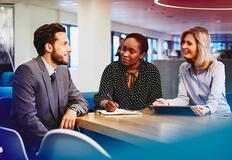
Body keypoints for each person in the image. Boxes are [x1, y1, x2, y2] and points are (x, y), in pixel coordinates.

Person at [10, 23, 88, 159]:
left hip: (61, 142)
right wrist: (55, 145)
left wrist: (73, 110)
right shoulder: (27, 71)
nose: (70, 49)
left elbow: (81, 101)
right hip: (34, 145)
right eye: (65, 44)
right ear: (49, 47)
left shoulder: (63, 71)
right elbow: (28, 120)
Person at [153, 26, 230, 116]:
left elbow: (214, 100)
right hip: (198, 116)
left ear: (200, 46)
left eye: (189, 43)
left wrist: (207, 108)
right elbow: (183, 99)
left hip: (220, 115)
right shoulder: (183, 68)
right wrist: (167, 103)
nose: (183, 46)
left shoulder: (217, 67)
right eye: (183, 43)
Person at [94, 33, 162, 111]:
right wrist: (107, 103)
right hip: (116, 119)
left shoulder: (151, 70)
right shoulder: (112, 69)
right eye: (124, 49)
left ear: (142, 54)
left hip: (144, 118)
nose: (125, 54)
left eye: (131, 51)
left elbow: (156, 101)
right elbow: (102, 95)